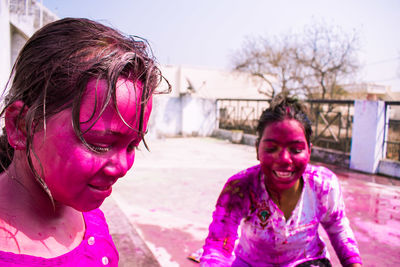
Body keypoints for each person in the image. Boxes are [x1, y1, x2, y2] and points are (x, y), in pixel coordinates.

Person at [0, 18, 168, 266]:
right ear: (22, 126)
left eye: (132, 145)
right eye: (99, 143)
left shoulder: (87, 213)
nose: (122, 166)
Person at [200, 95, 362, 267]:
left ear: (309, 151)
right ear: (257, 149)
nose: (284, 159)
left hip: (307, 262)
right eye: (271, 148)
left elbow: (338, 228)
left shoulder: (323, 185)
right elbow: (218, 245)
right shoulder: (240, 188)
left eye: (296, 149)